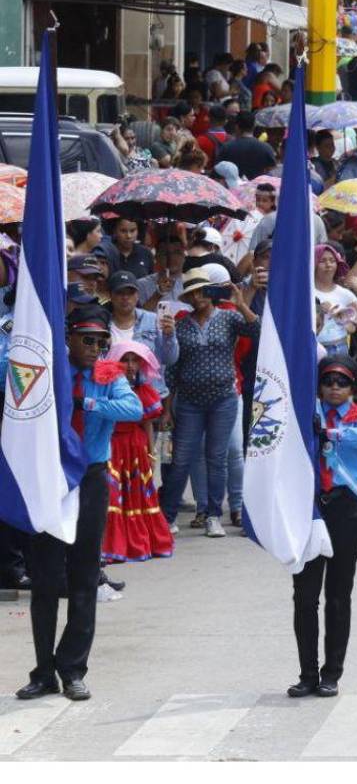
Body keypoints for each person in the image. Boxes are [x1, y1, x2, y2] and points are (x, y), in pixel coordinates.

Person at [16, 307, 142, 703]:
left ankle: (73, 669)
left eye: (101, 341)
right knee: (46, 579)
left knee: (84, 577)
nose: (94, 347)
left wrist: (88, 404)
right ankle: (43, 671)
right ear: (68, 338)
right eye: (86, 339)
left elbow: (134, 409)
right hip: (49, 478)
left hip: (88, 477)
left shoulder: (107, 375)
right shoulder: (51, 370)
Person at [288, 355, 357, 698]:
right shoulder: (306, 410)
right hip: (310, 509)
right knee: (304, 596)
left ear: (353, 387)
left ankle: (331, 674)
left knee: (338, 597)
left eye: (342, 383)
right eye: (328, 381)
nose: (334, 389)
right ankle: (307, 673)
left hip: (346, 511)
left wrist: (328, 431)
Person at [159, 268, 259, 538]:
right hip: (189, 400)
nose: (199, 296)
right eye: (193, 292)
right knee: (181, 459)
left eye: (203, 290)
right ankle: (167, 517)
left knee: (217, 458)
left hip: (223, 398)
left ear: (212, 293)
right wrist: (167, 409)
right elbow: (170, 370)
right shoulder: (180, 325)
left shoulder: (228, 317)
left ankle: (214, 515)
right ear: (188, 297)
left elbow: (257, 330)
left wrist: (241, 304)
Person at [100, 341, 175, 564]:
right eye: (125, 359)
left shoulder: (145, 391)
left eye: (135, 360)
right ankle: (110, 547)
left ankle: (139, 544)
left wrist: (152, 456)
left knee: (137, 495)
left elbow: (148, 425)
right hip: (111, 446)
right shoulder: (105, 387)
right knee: (111, 497)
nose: (130, 365)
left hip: (136, 449)